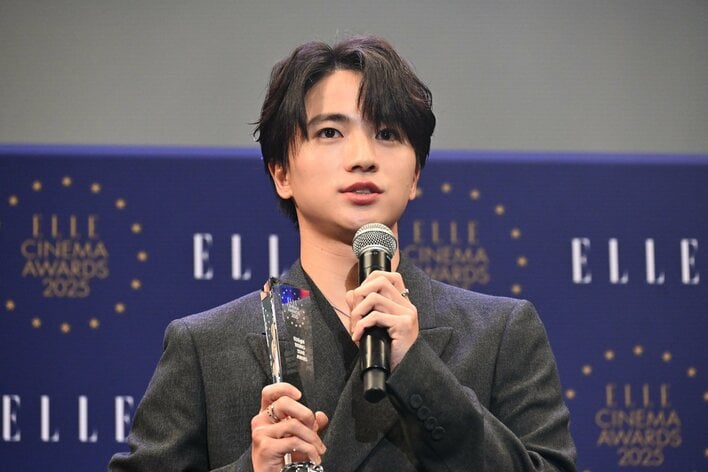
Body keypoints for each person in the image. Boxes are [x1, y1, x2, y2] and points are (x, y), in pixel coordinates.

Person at [109, 35, 577, 471]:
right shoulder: (207, 346)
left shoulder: (500, 334)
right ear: (281, 173)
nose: (363, 157)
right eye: (330, 132)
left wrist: (419, 371)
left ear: (415, 176)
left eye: (387, 134)